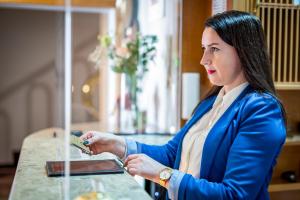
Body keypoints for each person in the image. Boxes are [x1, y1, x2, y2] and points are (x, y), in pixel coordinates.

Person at [81, 10, 286, 200]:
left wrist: (162, 175)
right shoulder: (210, 102)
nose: (203, 59)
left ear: (244, 51)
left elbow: (235, 194)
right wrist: (117, 144)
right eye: (204, 48)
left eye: (214, 49)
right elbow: (172, 153)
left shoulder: (262, 110)